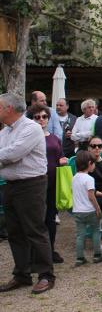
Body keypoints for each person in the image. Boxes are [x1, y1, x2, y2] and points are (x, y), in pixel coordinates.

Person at [0, 93, 55, 294]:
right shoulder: (5, 132)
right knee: (14, 232)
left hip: (31, 185)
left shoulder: (31, 128)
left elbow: (14, 153)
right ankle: (22, 274)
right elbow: (6, 155)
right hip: (11, 185)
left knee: (35, 230)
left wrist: (5, 157)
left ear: (9, 109)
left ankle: (46, 275)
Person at [30, 103, 67, 264]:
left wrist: (62, 161)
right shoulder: (30, 138)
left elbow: (60, 156)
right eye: (37, 117)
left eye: (44, 116)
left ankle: (50, 250)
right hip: (35, 184)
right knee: (36, 220)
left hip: (53, 183)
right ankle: (37, 254)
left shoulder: (54, 138)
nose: (41, 119)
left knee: (50, 219)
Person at [72, 150, 102, 266]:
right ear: (89, 163)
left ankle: (80, 258)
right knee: (96, 231)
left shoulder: (74, 178)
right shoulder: (89, 179)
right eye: (93, 164)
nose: (94, 166)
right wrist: (97, 208)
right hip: (90, 210)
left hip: (77, 211)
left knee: (80, 235)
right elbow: (91, 196)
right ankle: (97, 255)